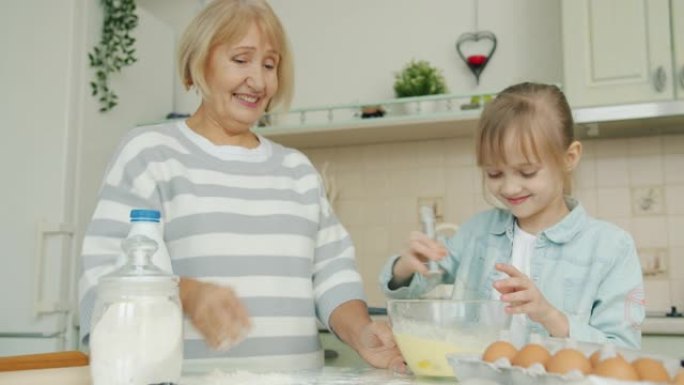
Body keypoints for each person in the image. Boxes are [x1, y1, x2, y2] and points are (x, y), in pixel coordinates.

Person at [79, 0, 404, 372]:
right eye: (241, 59)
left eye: (270, 64)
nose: (260, 80)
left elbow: (333, 276)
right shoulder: (150, 153)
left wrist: (362, 332)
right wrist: (185, 293)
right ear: (197, 64)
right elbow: (105, 278)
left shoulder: (297, 170)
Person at [379, 82, 645, 349]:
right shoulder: (476, 233)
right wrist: (405, 268)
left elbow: (623, 351)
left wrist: (550, 316)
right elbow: (416, 286)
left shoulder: (611, 248)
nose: (508, 188)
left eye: (527, 172)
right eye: (494, 173)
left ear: (569, 157)